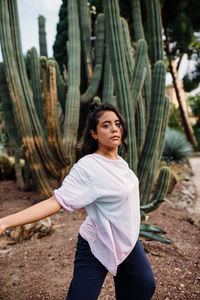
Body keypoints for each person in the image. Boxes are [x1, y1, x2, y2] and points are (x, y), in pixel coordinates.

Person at [0, 103, 156, 299]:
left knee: (143, 285)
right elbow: (53, 202)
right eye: (106, 125)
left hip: (126, 239)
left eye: (117, 123)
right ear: (94, 134)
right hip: (97, 241)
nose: (114, 128)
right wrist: (4, 222)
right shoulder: (88, 167)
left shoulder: (121, 163)